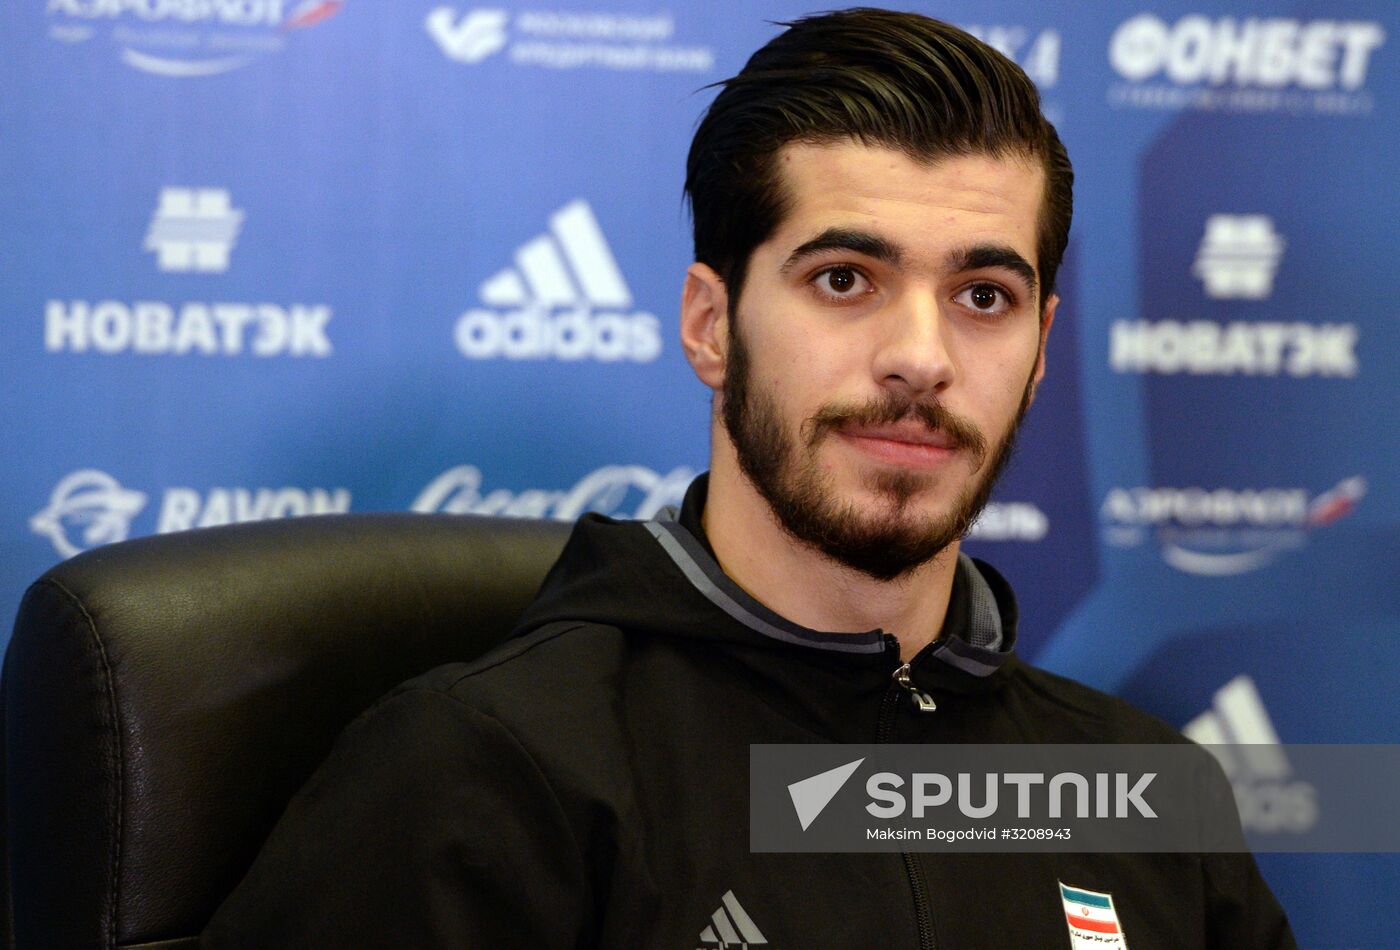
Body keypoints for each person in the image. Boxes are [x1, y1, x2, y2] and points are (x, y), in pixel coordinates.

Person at [204, 9, 1295, 948]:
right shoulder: (487, 770)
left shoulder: (1146, 789)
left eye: (981, 297)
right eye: (842, 277)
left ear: (1040, 345)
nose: (921, 356)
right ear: (711, 324)